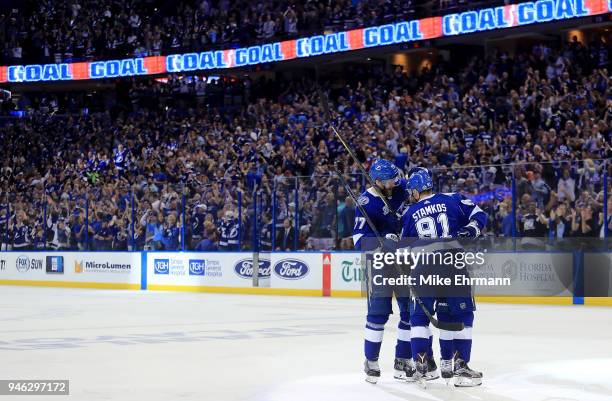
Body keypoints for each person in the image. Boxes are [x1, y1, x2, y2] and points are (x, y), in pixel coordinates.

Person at [400, 168, 487, 387]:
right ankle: (460, 367)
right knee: (462, 316)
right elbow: (480, 215)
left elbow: (403, 248)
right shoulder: (452, 200)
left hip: (423, 271)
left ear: (418, 190)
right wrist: (471, 230)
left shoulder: (409, 213)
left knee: (419, 318)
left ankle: (423, 367)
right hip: (452, 267)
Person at [354, 159, 437, 384]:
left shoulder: (398, 188)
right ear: (378, 181)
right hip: (380, 263)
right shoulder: (365, 203)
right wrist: (381, 243)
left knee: (408, 312)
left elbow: (416, 184)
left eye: (396, 179)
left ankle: (402, 360)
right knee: (378, 314)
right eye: (390, 181)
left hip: (405, 260)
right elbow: (358, 239)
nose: (395, 183)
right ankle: (370, 360)